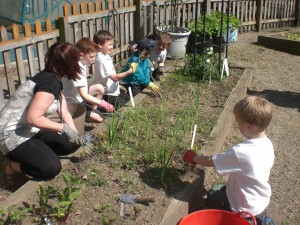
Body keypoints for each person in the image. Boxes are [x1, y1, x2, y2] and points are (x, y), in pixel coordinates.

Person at [0, 42, 84, 186]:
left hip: (30, 129)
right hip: (11, 133)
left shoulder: (55, 78)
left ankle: (39, 154)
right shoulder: (49, 83)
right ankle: (11, 166)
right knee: (51, 168)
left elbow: (63, 110)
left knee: (71, 145)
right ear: (71, 63)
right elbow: (33, 118)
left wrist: (76, 134)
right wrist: (64, 129)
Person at [183, 96, 275, 225]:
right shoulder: (267, 144)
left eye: (238, 122)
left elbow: (211, 161)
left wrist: (192, 157)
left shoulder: (241, 152)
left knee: (212, 201)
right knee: (217, 194)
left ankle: (244, 220)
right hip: (259, 200)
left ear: (248, 126)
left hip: (242, 207)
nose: (237, 125)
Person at [62, 37, 113, 125]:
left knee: (99, 88)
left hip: (76, 95)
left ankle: (92, 112)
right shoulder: (77, 68)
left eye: (94, 56)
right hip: (70, 101)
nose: (93, 59)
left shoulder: (81, 61)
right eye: (91, 57)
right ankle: (78, 119)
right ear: (81, 55)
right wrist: (103, 104)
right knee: (99, 118)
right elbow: (84, 95)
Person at [93, 30, 138, 110]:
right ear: (100, 45)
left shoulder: (106, 56)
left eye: (112, 44)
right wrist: (130, 71)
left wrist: (118, 85)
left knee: (131, 101)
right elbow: (114, 78)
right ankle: (103, 108)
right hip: (108, 94)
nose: (112, 47)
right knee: (126, 108)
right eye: (109, 44)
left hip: (114, 91)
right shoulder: (101, 60)